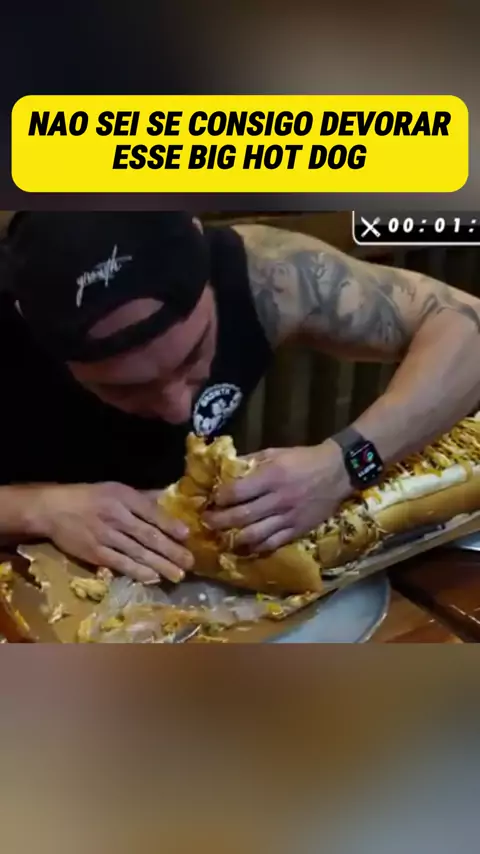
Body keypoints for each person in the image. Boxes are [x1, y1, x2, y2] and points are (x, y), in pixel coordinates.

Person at [0, 211, 479, 585]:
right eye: (124, 387)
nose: (178, 410)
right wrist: (40, 508)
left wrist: (344, 464)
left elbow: (468, 329)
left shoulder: (267, 273)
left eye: (193, 355)